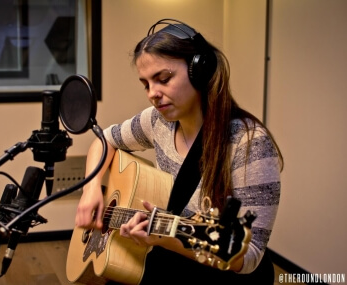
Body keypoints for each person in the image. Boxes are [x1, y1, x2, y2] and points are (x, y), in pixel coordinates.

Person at [74, 18, 283, 284]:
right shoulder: (156, 121)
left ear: (200, 70)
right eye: (146, 84)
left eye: (163, 79)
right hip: (169, 250)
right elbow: (104, 141)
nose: (152, 93)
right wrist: (91, 190)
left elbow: (250, 256)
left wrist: (163, 237)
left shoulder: (249, 144)